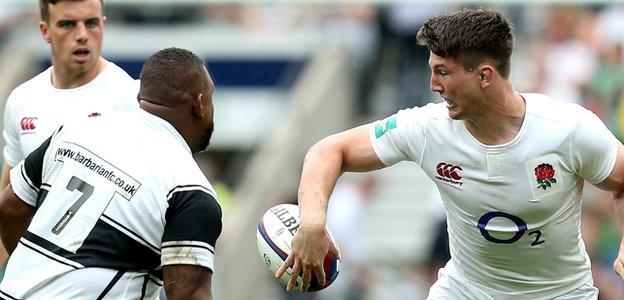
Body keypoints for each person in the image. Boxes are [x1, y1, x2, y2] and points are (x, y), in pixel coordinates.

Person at [277, 8, 624, 299]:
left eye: (443, 72)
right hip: (466, 290)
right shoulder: (427, 127)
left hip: (561, 294)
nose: (433, 85)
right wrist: (312, 223)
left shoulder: (568, 129)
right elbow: (328, 150)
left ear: (485, 76)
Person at [0, 47, 222, 299]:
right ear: (201, 104)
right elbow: (188, 294)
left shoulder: (76, 129)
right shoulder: (191, 189)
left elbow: (9, 208)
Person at [0, 0, 138, 267]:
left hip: (108, 271)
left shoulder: (128, 99)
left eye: (92, 23)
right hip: (40, 271)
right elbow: (13, 175)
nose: (82, 34)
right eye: (67, 24)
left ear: (104, 25)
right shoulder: (23, 100)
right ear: (45, 31)